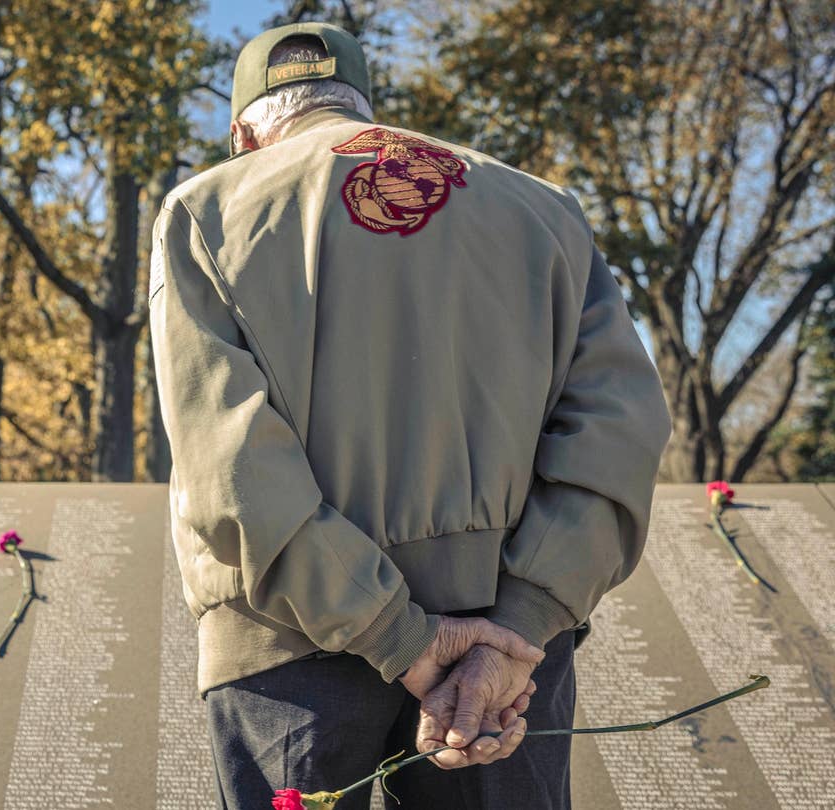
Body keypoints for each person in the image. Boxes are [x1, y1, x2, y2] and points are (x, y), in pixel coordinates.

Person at [148, 21, 672, 810]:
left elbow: (232, 471)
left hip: (293, 654)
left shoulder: (204, 214)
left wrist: (404, 639)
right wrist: (522, 621)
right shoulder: (546, 213)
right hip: (508, 658)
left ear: (243, 132)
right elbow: (619, 435)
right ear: (363, 107)